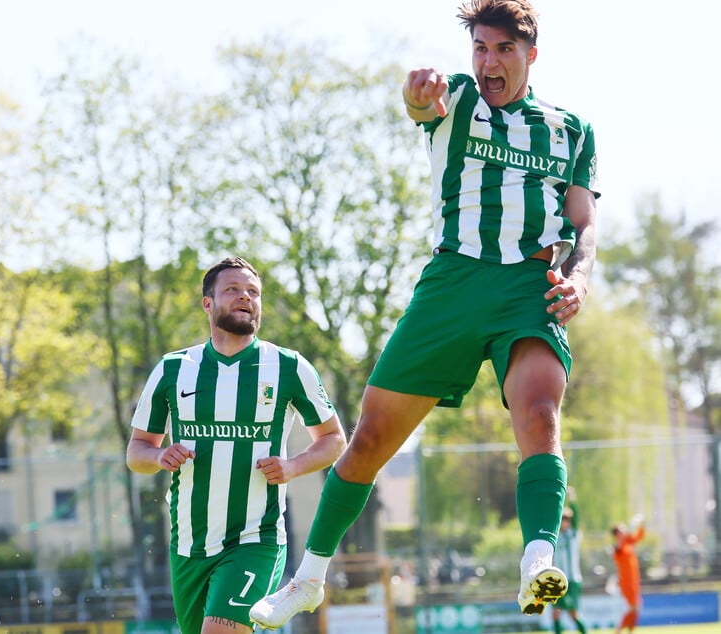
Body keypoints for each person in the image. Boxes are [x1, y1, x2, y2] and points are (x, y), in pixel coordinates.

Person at [250, 0, 599, 628]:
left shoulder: (570, 128)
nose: (489, 62)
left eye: (503, 51)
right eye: (480, 49)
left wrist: (579, 276)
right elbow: (422, 104)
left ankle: (537, 561)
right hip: (452, 283)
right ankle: (307, 579)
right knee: (368, 444)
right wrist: (418, 91)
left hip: (529, 286)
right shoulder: (458, 100)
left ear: (530, 56)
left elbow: (584, 222)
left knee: (541, 411)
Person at [126, 256, 347, 634]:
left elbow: (334, 440)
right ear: (207, 303)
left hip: (254, 539)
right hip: (188, 546)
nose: (245, 297)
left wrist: (293, 466)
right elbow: (137, 453)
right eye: (232, 290)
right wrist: (161, 456)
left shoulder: (289, 367)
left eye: (253, 292)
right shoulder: (171, 369)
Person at [552, 491, 587, 634]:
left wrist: (572, 499)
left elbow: (577, 518)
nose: (565, 522)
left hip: (572, 580)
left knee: (573, 614)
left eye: (567, 519)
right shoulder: (555, 537)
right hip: (557, 580)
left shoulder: (573, 535)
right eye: (562, 519)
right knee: (556, 613)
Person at [611, 517, 645, 634]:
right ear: (617, 534)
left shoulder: (628, 542)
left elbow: (639, 536)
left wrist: (642, 525)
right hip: (626, 582)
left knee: (637, 609)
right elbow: (618, 549)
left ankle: (629, 631)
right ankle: (618, 631)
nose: (624, 531)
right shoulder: (618, 547)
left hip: (635, 581)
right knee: (633, 608)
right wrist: (627, 533)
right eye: (622, 530)